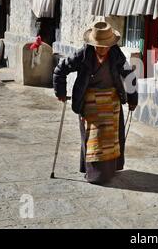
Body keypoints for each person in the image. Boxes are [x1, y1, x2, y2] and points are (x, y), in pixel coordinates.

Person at [53, 21, 138, 185]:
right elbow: (60, 70)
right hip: (89, 102)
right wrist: (61, 92)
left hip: (111, 102)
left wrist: (133, 99)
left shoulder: (115, 54)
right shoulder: (82, 55)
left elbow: (129, 76)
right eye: (99, 46)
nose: (103, 49)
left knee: (110, 139)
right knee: (93, 139)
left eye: (106, 46)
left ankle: (110, 171)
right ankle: (94, 174)